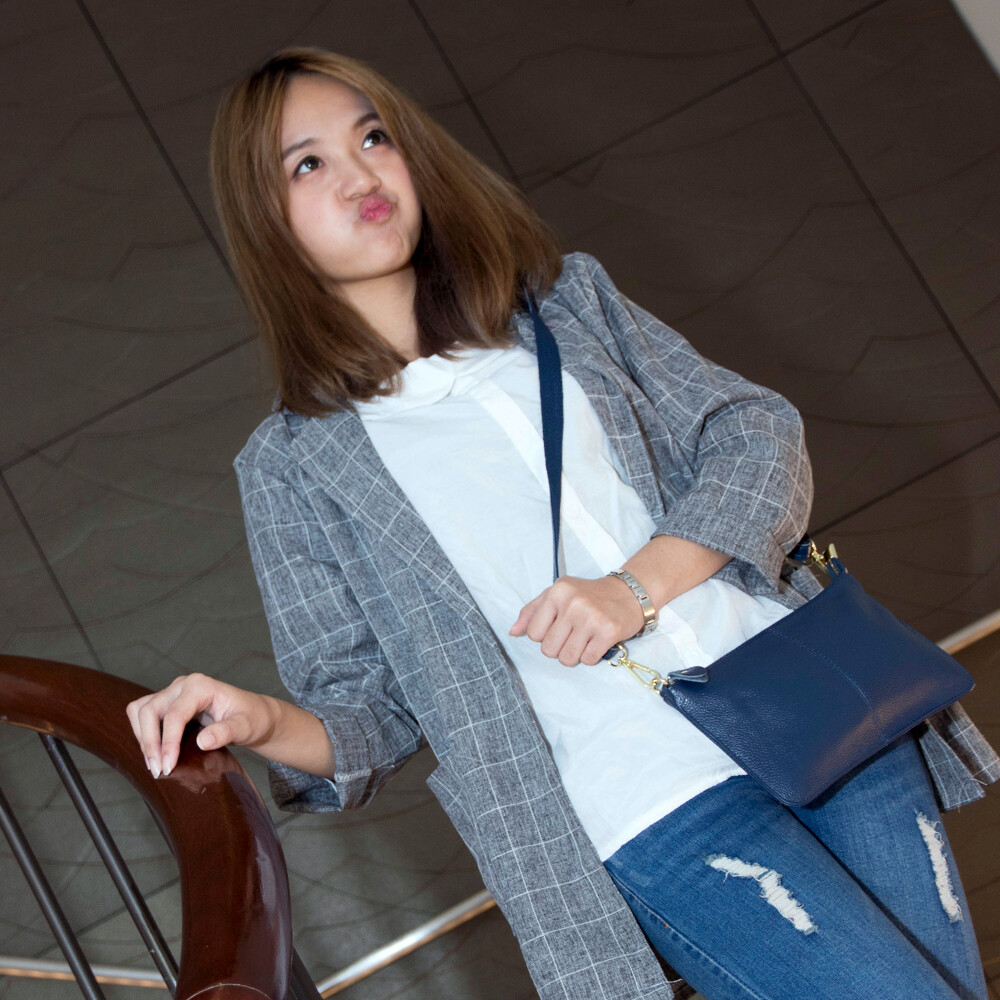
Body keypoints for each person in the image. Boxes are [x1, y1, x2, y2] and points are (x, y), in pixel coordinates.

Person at [126, 47, 999, 1000]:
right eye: (309, 163)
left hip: (810, 695)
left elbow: (757, 434)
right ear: (266, 222)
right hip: (643, 798)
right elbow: (371, 711)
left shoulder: (566, 307)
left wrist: (633, 590)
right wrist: (260, 719)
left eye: (373, 138)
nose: (360, 175)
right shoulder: (296, 466)